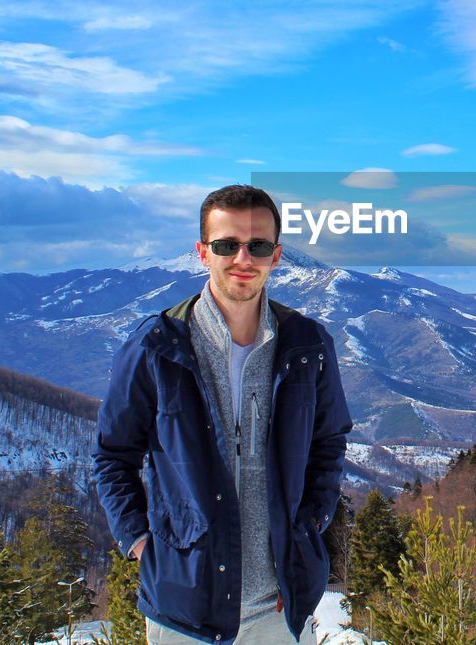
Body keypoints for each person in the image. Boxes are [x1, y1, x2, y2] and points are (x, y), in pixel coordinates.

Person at [94, 185, 352, 643]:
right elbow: (114, 454)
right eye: (226, 245)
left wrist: (308, 527)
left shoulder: (307, 346)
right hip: (184, 605)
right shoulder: (156, 348)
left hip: (278, 608)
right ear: (202, 252)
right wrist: (139, 541)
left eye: (256, 246)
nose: (242, 258)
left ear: (276, 255)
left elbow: (329, 443)